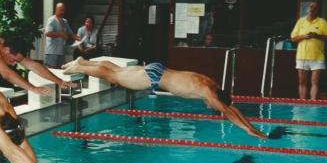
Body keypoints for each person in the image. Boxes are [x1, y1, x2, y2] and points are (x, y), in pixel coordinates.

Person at [62, 57, 267, 139]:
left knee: (116, 70)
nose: (209, 105)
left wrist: (250, 124)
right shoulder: (209, 94)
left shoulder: (211, 83)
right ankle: (80, 66)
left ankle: (84, 61)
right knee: (113, 76)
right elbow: (228, 111)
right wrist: (248, 129)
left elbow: (231, 106)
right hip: (153, 78)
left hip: (158, 69)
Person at [290, 1, 327, 100]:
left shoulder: (322, 22)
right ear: (307, 9)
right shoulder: (301, 21)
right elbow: (293, 38)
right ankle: (302, 102)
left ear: (317, 10)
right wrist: (303, 36)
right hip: (302, 56)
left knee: (315, 81)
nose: (312, 9)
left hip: (317, 56)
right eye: (310, 7)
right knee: (302, 81)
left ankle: (313, 102)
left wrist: (317, 36)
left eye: (314, 7)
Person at [44, 2, 80, 68]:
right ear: (56, 9)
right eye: (61, 10)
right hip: (52, 52)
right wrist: (60, 34)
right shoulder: (51, 20)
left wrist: (78, 38)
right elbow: (47, 33)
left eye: (63, 10)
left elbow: (71, 33)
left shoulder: (65, 21)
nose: (62, 12)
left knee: (59, 71)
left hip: (61, 52)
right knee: (51, 71)